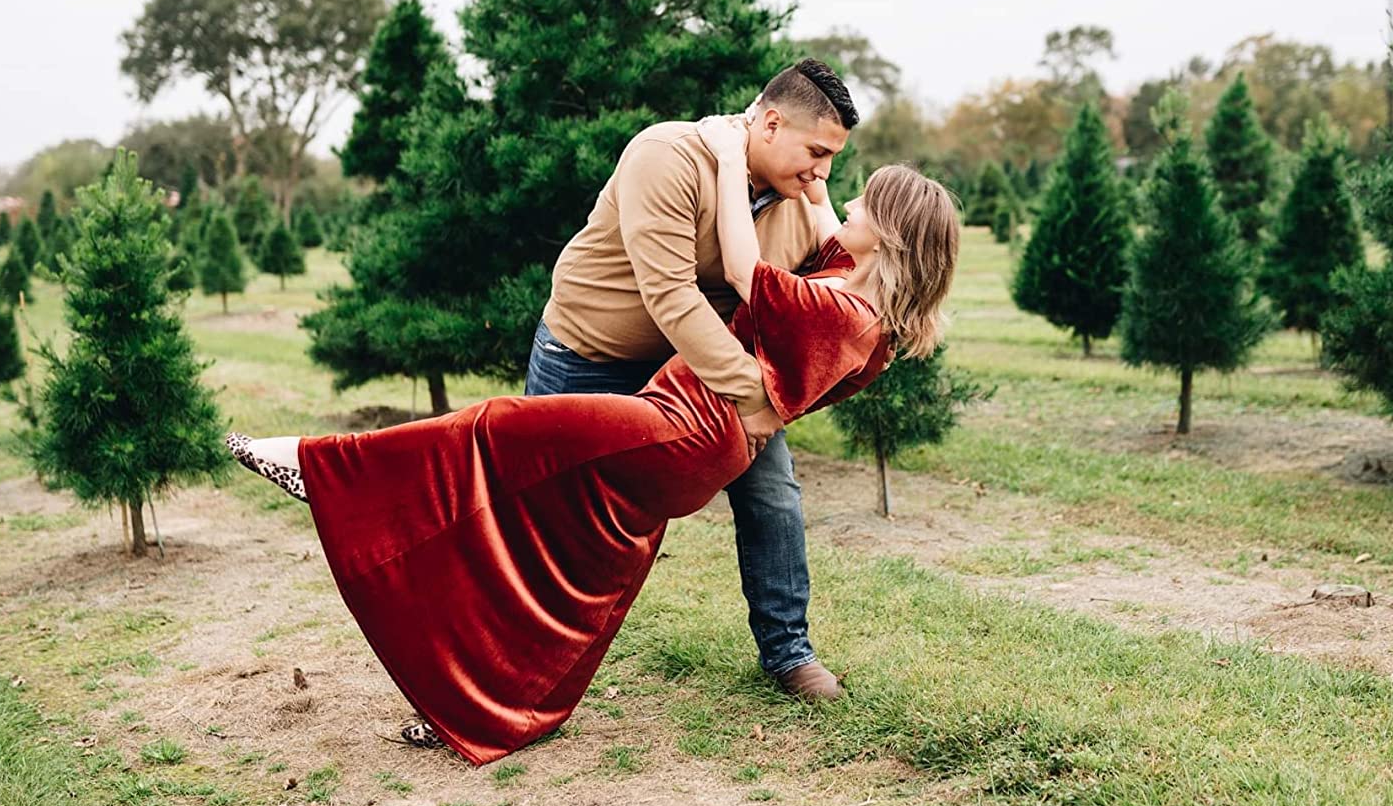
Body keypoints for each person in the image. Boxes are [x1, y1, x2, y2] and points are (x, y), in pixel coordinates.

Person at [227, 139, 961, 766]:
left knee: (496, 426)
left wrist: (734, 152)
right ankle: (496, 712)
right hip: (693, 434)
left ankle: (323, 469)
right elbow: (832, 225)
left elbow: (742, 271)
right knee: (591, 572)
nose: (845, 205)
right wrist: (813, 172)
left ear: (890, 239)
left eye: (866, 203)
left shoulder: (839, 313)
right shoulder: (851, 287)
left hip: (682, 428)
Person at [529, 59, 859, 702]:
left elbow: (802, 308)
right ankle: (524, 665)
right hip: (590, 354)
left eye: (833, 158)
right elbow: (670, 296)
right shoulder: (667, 155)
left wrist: (764, 401)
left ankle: (788, 653)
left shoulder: (799, 203)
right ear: (768, 122)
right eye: (816, 152)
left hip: (705, 372)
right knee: (555, 515)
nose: (823, 173)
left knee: (772, 493)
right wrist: (756, 397)